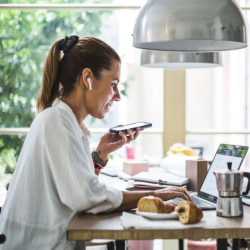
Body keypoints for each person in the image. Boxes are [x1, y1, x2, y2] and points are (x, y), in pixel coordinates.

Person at [0, 36, 190, 250]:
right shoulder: (56, 121)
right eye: (114, 84)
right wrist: (153, 195)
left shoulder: (65, 122)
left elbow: (77, 187)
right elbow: (86, 197)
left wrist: (100, 155)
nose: (117, 96)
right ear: (87, 78)